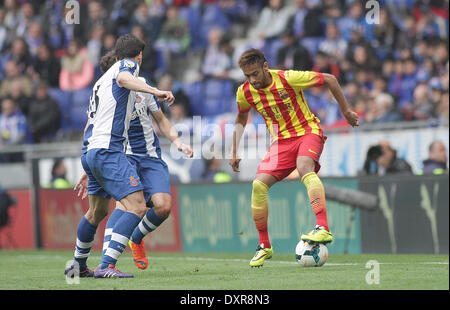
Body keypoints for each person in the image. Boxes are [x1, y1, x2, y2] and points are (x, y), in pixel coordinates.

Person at [229, 48, 359, 267]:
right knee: (258, 185)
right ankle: (264, 246)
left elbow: (330, 79)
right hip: (281, 142)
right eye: (247, 76)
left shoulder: (289, 78)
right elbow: (241, 117)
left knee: (304, 167)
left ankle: (322, 228)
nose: (252, 80)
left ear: (265, 66)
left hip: (307, 131)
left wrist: (346, 111)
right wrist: (234, 150)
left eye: (255, 74)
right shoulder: (244, 92)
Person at [64, 34, 174, 279]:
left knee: (96, 212)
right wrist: (155, 90)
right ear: (139, 55)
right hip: (108, 151)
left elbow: (89, 125)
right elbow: (126, 77)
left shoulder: (100, 82)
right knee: (136, 207)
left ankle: (78, 266)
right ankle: (106, 266)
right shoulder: (126, 67)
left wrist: (89, 165)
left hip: (91, 151)